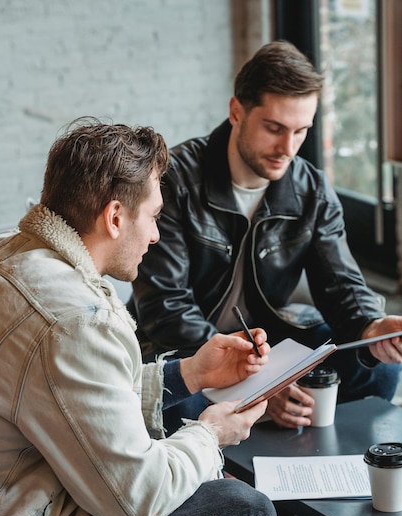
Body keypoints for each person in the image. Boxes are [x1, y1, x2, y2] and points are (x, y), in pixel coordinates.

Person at [0, 117, 279, 516]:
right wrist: (211, 436)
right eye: (155, 216)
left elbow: (68, 397)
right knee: (245, 513)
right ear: (115, 216)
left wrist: (189, 372)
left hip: (12, 505)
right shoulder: (75, 321)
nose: (159, 234)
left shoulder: (7, 254)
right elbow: (135, 500)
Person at [128, 39, 402, 433]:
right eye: (274, 128)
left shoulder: (310, 189)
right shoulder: (174, 181)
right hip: (186, 348)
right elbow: (167, 309)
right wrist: (258, 384)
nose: (287, 148)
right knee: (171, 403)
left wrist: (372, 327)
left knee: (378, 372)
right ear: (237, 110)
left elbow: (341, 284)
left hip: (265, 338)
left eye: (300, 131)